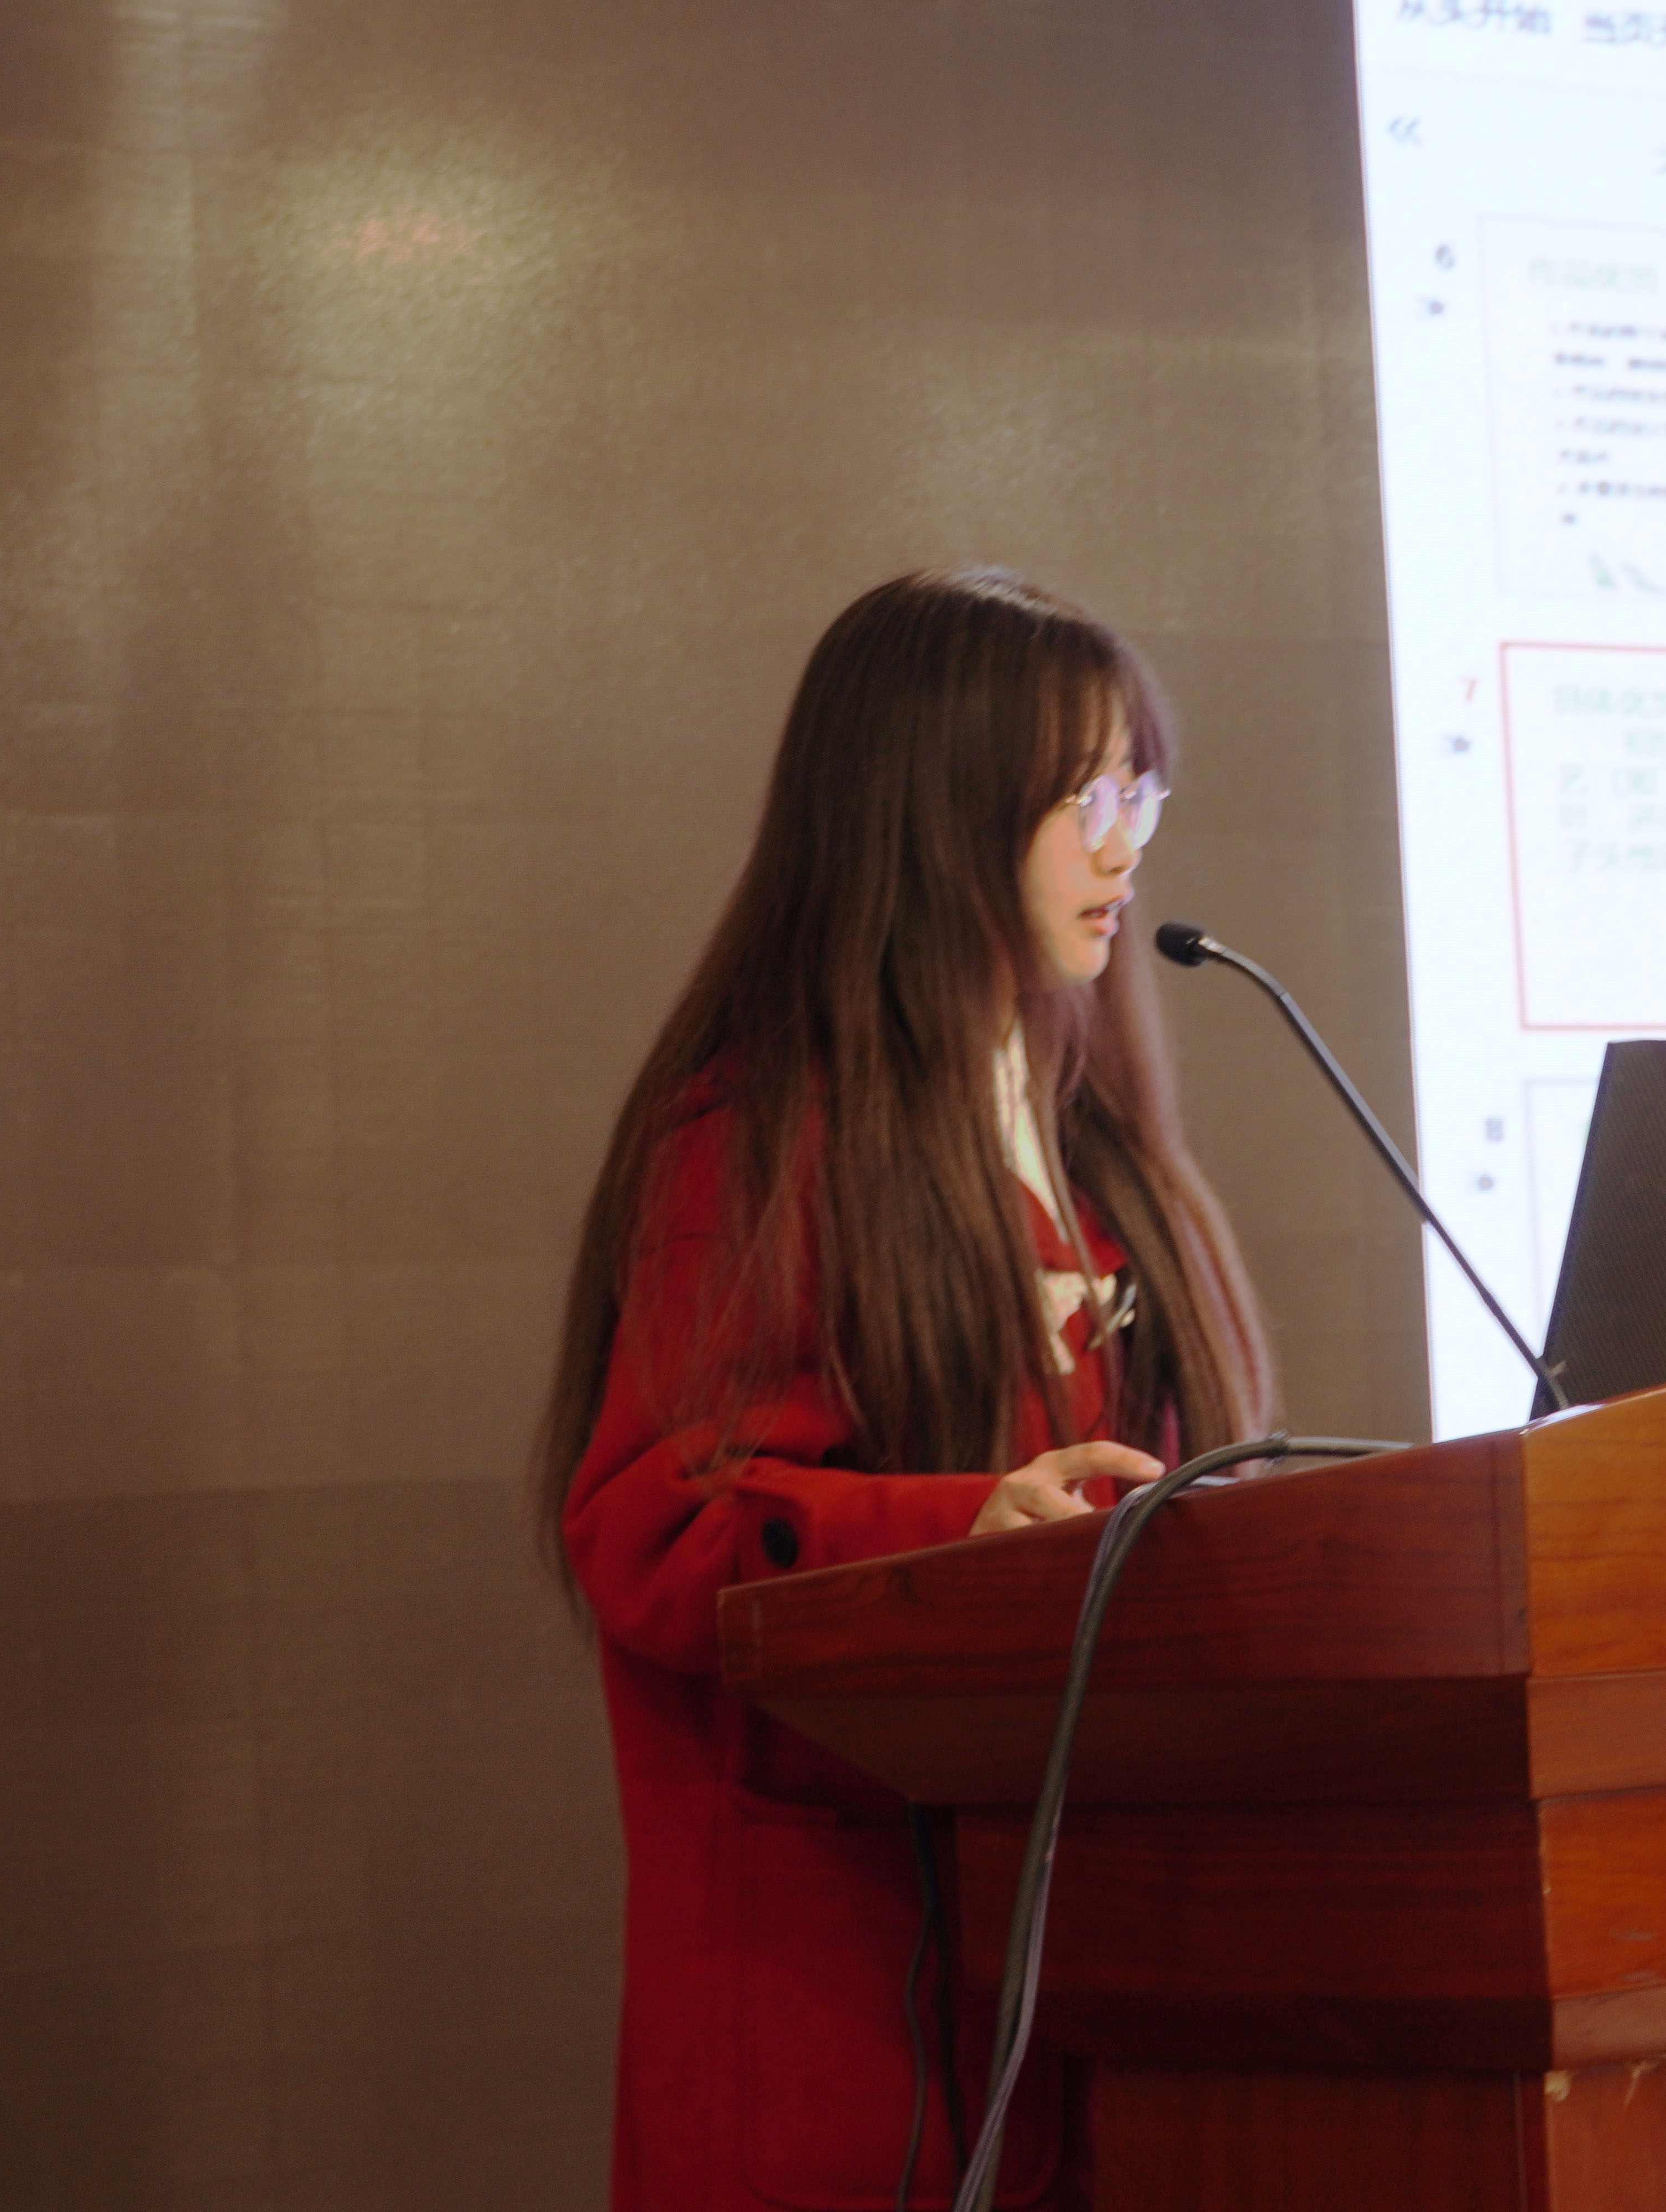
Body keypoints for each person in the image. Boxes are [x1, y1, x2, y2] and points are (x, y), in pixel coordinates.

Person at [531, 568, 1275, 2211]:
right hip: (846, 2003)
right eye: (1085, 798)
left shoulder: (1090, 1145)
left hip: (1084, 1984)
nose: (1126, 846)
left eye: (1141, 792)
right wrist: (965, 1530)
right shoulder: (758, 1141)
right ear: (937, 809)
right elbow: (654, 1525)